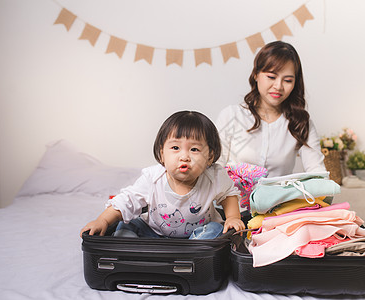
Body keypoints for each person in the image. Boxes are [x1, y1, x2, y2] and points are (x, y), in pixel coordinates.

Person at [80, 111, 245, 239]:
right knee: (128, 224)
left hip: (198, 237)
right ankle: (133, 251)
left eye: (194, 149)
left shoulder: (214, 176)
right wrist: (102, 221)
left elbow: (228, 194)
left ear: (210, 156)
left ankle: (193, 252)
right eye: (175, 148)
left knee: (216, 229)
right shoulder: (153, 178)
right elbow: (127, 200)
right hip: (154, 234)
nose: (184, 156)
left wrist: (232, 217)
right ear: (162, 154)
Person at [216, 41, 326, 177]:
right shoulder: (231, 115)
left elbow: (317, 172)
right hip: (234, 197)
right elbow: (216, 169)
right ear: (256, 74)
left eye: (288, 80)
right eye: (271, 77)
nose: (278, 86)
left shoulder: (301, 122)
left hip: (280, 198)